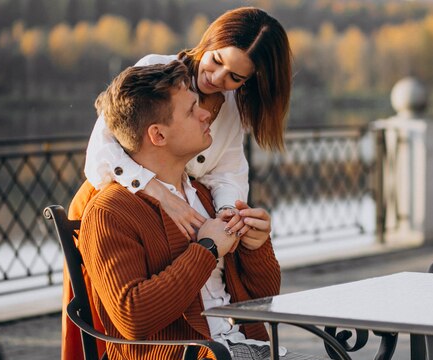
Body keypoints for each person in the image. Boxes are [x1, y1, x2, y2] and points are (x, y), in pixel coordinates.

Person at [71, 61, 407, 360]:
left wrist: (256, 246)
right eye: (191, 110)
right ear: (158, 135)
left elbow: (263, 299)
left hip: (249, 349)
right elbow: (132, 316)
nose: (206, 115)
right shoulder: (111, 211)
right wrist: (207, 249)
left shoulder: (204, 194)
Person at [84, 6, 292, 240]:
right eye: (216, 60)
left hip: (177, 228)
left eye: (235, 77)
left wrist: (227, 213)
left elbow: (228, 173)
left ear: (250, 81)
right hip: (117, 216)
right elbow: (99, 153)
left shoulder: (233, 108)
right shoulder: (156, 69)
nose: (216, 78)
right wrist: (159, 193)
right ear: (210, 41)